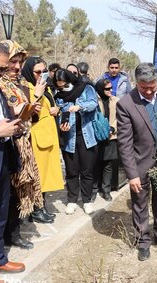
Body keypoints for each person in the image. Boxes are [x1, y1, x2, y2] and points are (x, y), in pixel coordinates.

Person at [0, 41, 52, 252]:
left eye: (20, 62)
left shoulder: (19, 83)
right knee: (8, 193)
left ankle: (13, 233)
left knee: (18, 192)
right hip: (5, 144)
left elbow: (31, 113)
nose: (17, 67)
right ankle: (6, 236)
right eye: (13, 62)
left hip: (22, 144)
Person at [117, 62, 157, 261]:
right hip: (140, 163)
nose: (149, 91)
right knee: (140, 204)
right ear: (136, 83)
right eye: (144, 87)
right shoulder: (126, 104)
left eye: (152, 86)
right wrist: (132, 175)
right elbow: (125, 143)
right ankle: (143, 241)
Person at [0, 40, 26, 283]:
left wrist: (14, 125)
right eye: (0, 68)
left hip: (1, 159)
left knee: (0, 215)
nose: (4, 72)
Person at [20, 56, 64, 217]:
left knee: (46, 175)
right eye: (37, 71)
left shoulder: (46, 87)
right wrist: (37, 94)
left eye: (44, 71)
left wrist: (56, 109)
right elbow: (30, 113)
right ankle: (35, 209)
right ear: (29, 72)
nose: (41, 74)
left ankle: (41, 206)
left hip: (49, 137)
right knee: (38, 176)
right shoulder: (26, 88)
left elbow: (50, 105)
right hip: (37, 138)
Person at [54, 68, 99, 215]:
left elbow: (93, 103)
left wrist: (80, 106)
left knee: (87, 171)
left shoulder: (86, 88)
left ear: (70, 80)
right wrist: (62, 124)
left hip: (87, 136)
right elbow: (61, 112)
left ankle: (86, 201)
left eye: (64, 85)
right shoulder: (59, 96)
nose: (62, 88)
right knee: (72, 171)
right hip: (69, 139)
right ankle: (72, 200)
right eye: (59, 86)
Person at [92, 79, 119, 202]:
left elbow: (120, 117)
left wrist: (113, 128)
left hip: (111, 137)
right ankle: (93, 190)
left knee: (108, 165)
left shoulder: (115, 101)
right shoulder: (94, 101)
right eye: (107, 89)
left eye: (111, 88)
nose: (110, 91)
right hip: (96, 137)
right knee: (95, 164)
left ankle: (106, 191)